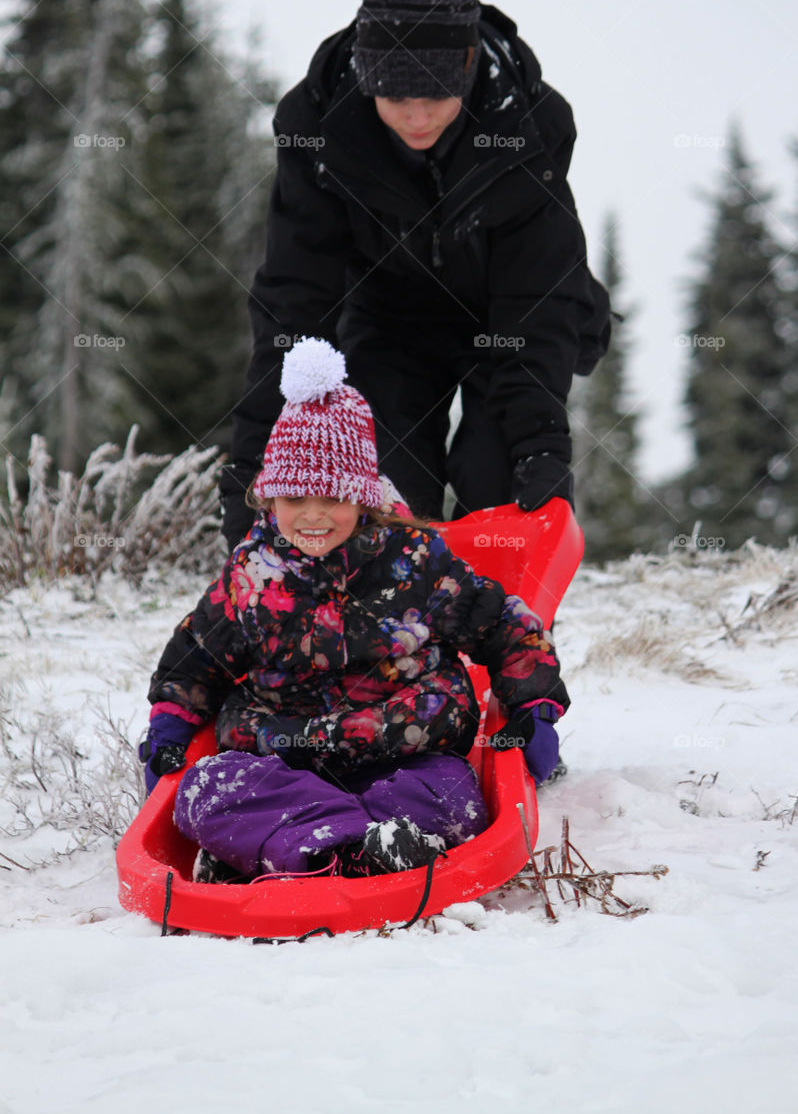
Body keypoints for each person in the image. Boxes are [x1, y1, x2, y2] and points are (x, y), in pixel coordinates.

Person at [220, 0, 611, 552]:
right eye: (395, 95)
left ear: (467, 64)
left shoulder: (529, 127)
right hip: (391, 316)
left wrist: (541, 444)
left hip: (505, 316)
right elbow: (294, 299)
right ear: (369, 75)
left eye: (435, 93)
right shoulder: (320, 130)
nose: (417, 116)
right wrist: (255, 461)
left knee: (499, 474)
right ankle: (396, 636)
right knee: (384, 486)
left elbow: (537, 297)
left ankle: (501, 635)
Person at [140, 338, 569, 882]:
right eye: (295, 499)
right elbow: (196, 657)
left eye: (333, 500)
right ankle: (343, 845)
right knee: (206, 790)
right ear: (270, 499)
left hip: (404, 746)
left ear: (363, 497)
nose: (313, 517)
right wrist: (171, 726)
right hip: (284, 755)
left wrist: (535, 710)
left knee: (452, 795)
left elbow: (504, 628)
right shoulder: (252, 575)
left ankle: (307, 848)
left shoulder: (414, 561)